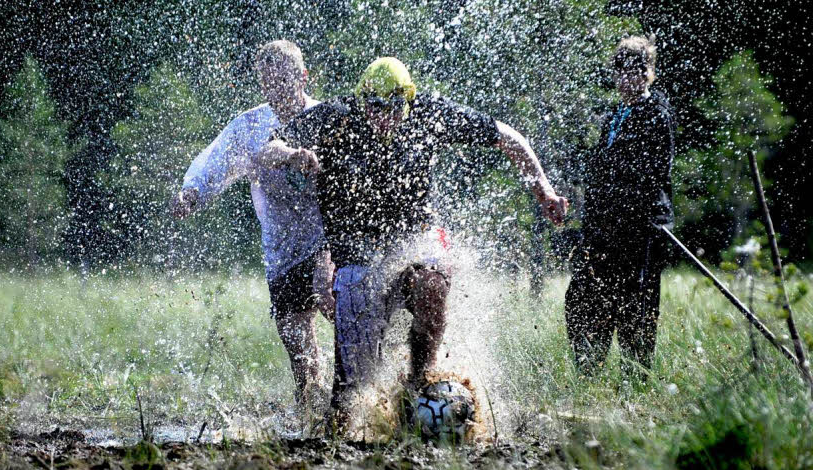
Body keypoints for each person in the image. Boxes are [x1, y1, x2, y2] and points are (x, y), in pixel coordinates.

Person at [258, 56, 568, 425]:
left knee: (431, 283)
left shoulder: (430, 113)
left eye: (390, 107)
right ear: (361, 99)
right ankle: (346, 410)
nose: (379, 116)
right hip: (357, 250)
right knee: (349, 394)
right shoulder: (335, 116)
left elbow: (508, 138)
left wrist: (544, 192)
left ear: (407, 99)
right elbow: (267, 149)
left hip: (415, 236)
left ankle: (421, 379)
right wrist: (293, 155)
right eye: (371, 107)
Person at [170, 40, 333, 410]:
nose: (276, 91)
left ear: (303, 77)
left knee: (331, 297)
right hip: (281, 249)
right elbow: (214, 161)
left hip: (326, 237)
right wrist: (191, 193)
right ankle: (313, 408)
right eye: (268, 83)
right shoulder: (251, 126)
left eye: (284, 81)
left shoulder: (325, 117)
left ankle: (360, 384)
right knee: (299, 349)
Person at [564, 35, 674, 376]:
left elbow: (655, 172)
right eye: (622, 71)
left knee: (634, 307)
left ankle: (635, 381)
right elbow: (601, 167)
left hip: (639, 227)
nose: (628, 78)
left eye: (636, 70)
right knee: (582, 297)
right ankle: (588, 373)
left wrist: (620, 200)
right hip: (602, 226)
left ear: (648, 73)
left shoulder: (656, 113)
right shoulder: (615, 114)